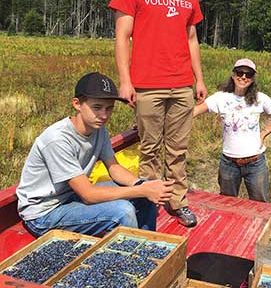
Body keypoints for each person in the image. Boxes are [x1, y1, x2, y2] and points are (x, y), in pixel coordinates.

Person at [109, 0, 206, 227]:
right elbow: (122, 37)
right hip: (148, 84)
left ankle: (178, 202)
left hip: (181, 84)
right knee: (150, 149)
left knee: (178, 150)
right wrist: (125, 81)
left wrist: (199, 79)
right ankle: (149, 204)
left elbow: (192, 39)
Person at [16, 72, 174, 237]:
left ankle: (146, 247)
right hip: (44, 213)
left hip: (71, 196)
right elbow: (88, 194)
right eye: (97, 107)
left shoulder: (98, 129)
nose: (104, 115)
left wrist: (141, 185)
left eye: (109, 108)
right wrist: (141, 190)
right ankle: (126, 260)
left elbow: (114, 168)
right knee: (122, 211)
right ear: (77, 104)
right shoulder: (57, 139)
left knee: (143, 193)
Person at [193, 59, 271, 202]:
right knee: (227, 204)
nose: (243, 77)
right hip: (229, 163)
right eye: (240, 72)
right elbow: (193, 112)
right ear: (233, 74)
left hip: (255, 163)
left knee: (260, 205)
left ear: (252, 79)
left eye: (248, 74)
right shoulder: (220, 97)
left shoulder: (260, 98)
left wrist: (264, 132)